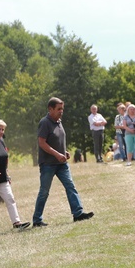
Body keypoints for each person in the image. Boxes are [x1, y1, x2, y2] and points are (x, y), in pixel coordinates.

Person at [33, 97, 94, 226]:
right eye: (58, 109)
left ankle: (78, 214)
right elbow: (42, 143)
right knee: (44, 192)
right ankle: (37, 220)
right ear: (50, 109)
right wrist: (56, 154)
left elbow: (57, 140)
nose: (61, 111)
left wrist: (64, 151)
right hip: (48, 164)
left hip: (61, 164)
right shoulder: (45, 122)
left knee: (70, 186)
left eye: (62, 109)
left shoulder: (58, 122)